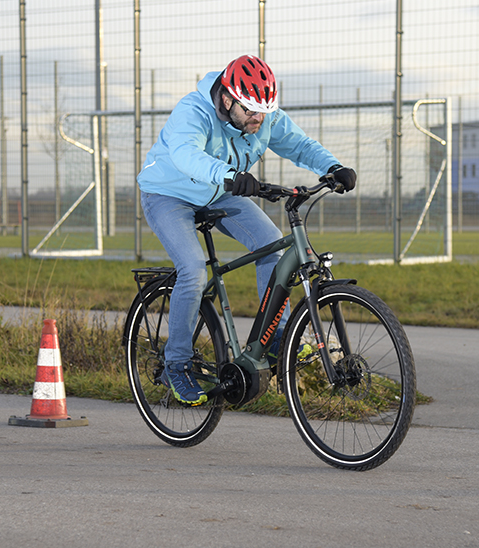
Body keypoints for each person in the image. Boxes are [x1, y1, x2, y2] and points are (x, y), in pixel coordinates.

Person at [136, 55, 356, 406]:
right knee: (192, 271)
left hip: (222, 193)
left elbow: (298, 145)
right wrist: (228, 176)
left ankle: (275, 337)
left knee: (272, 246)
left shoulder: (263, 117)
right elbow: (185, 154)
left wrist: (333, 166)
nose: (259, 119)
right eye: (251, 111)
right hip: (168, 195)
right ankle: (175, 364)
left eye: (264, 111)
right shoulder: (193, 111)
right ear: (228, 100)